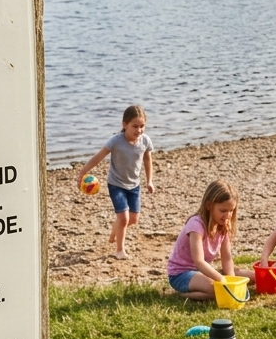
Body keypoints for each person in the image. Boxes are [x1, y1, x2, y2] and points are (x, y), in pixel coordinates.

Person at [78, 104, 154, 259]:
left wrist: (149, 181)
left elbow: (147, 160)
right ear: (124, 125)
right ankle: (119, 250)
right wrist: (83, 171)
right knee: (124, 218)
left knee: (133, 219)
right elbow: (98, 157)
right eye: (134, 126)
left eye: (142, 126)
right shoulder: (115, 141)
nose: (138, 130)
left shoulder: (145, 141)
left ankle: (117, 228)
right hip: (116, 185)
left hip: (134, 185)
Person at [167, 179, 253, 299]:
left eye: (231, 210)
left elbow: (227, 258)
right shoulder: (196, 225)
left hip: (201, 272)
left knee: (250, 277)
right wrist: (222, 280)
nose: (228, 215)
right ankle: (182, 295)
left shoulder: (223, 225)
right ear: (209, 206)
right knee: (217, 290)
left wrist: (232, 281)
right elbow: (199, 261)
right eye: (223, 211)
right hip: (181, 274)